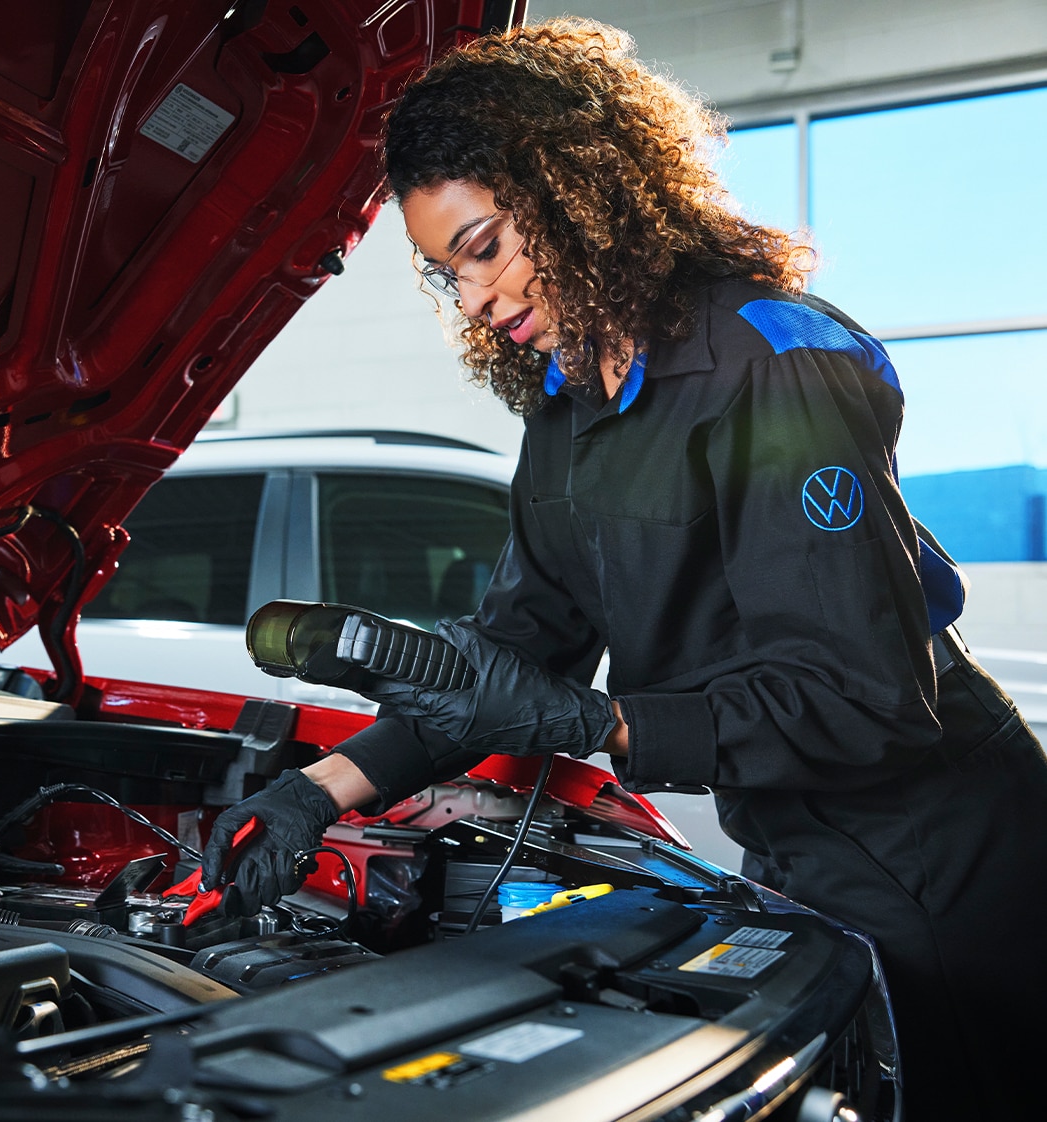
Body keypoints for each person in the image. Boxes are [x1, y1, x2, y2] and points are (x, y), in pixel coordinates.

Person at [198, 17, 1047, 1120]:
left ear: (579, 185)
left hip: (938, 852)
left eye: (486, 245)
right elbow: (510, 657)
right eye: (445, 272)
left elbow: (864, 701)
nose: (474, 300)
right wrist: (316, 792)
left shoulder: (773, 364)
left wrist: (593, 726)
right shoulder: (571, 401)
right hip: (793, 835)